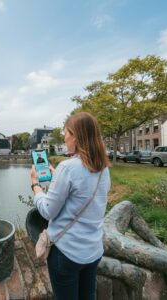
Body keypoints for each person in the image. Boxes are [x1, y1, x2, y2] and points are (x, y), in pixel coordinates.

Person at [30, 112, 111, 300]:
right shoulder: (103, 168)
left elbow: (48, 210)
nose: (65, 137)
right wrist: (57, 174)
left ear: (75, 135)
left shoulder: (68, 168)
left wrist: (35, 186)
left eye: (66, 132)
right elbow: (84, 194)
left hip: (67, 253)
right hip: (93, 250)